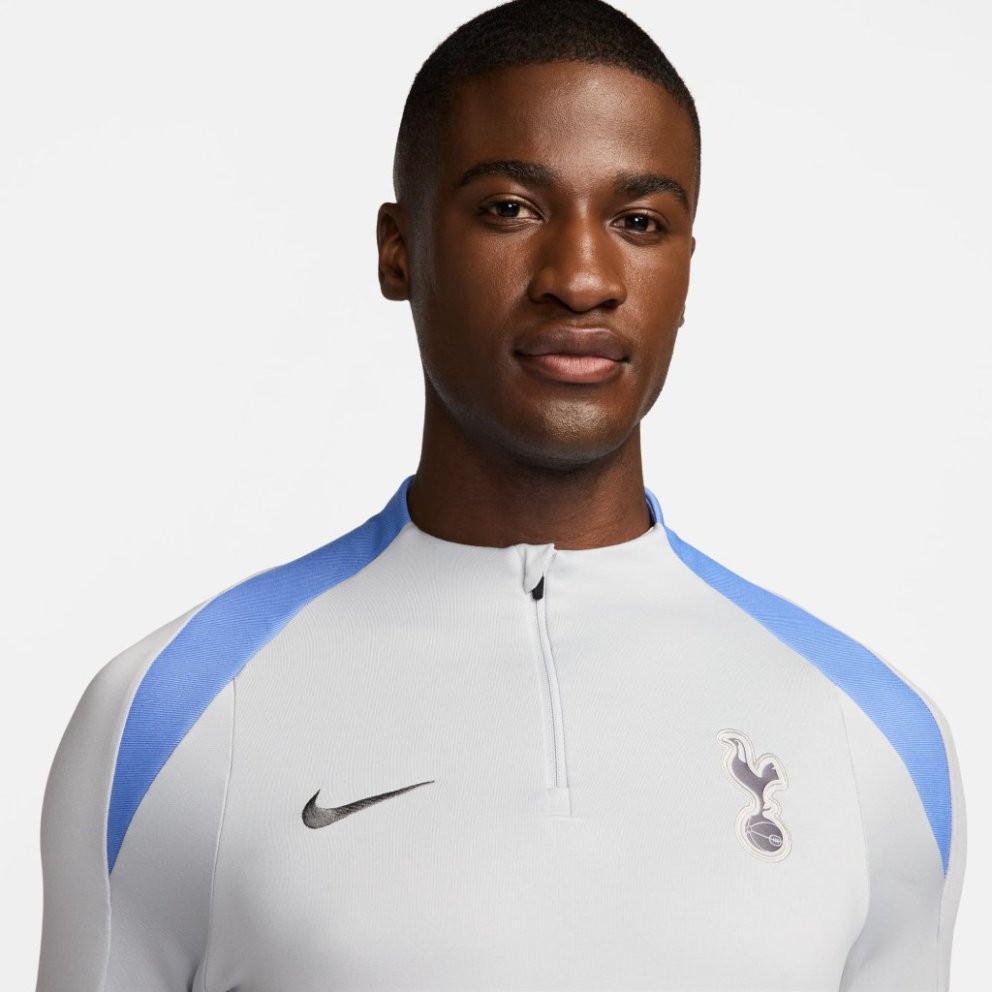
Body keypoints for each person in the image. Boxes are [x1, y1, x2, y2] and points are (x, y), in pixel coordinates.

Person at [36, 1, 965, 989]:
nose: (580, 278)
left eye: (639, 222)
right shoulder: (175, 715)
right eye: (511, 209)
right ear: (398, 249)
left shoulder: (866, 734)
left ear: (685, 271)